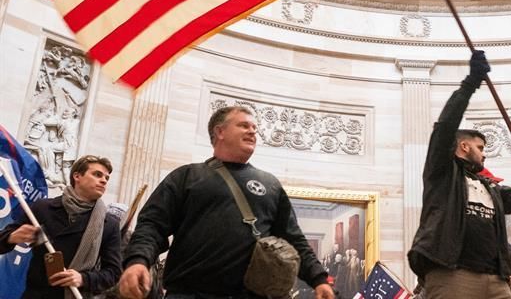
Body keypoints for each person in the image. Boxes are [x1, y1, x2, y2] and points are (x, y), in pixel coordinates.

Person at [119, 106, 333, 299]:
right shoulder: (186, 176)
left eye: (254, 127)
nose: (252, 131)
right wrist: (138, 261)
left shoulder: (270, 185)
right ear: (220, 132)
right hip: (189, 294)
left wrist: (319, 279)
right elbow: (152, 225)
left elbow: (294, 238)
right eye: (243, 125)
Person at [407, 51, 511, 299]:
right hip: (452, 274)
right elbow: (445, 127)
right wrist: (470, 84)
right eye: (480, 148)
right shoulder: (442, 174)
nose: (484, 154)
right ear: (463, 146)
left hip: (495, 278)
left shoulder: (489, 187)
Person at [1, 155, 122, 299]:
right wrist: (12, 237)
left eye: (106, 178)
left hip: (76, 294)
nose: (103, 180)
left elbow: (114, 272)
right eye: (97, 174)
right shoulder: (42, 208)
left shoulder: (109, 224)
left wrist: (83, 278)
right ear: (77, 176)